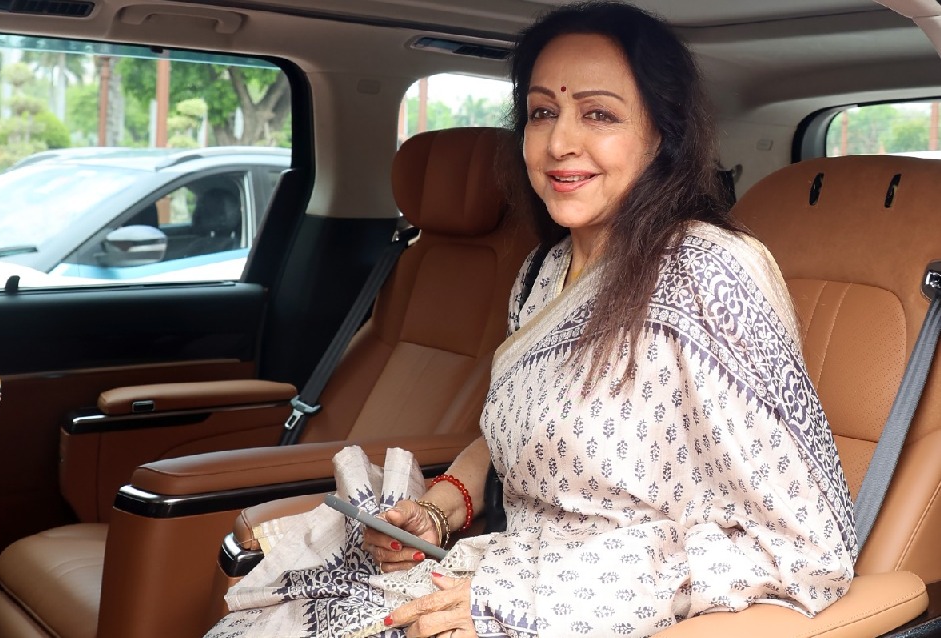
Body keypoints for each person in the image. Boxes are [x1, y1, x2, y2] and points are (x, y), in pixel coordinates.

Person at [362, 2, 857, 636]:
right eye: (542, 112)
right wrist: (440, 508)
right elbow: (527, 429)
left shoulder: (709, 273)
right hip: (496, 575)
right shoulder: (542, 272)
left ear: (662, 133)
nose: (559, 143)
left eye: (598, 114)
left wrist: (540, 600)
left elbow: (805, 548)